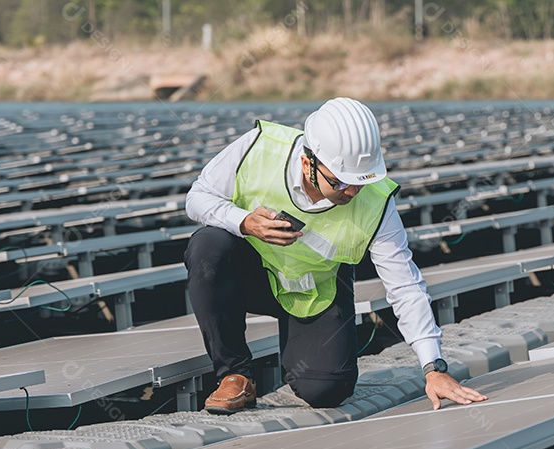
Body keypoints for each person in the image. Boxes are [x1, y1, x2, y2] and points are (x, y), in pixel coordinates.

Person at [184, 97, 486, 414]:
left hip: (313, 289)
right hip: (250, 276)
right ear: (307, 163)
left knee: (325, 390)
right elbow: (197, 198)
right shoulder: (259, 147)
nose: (353, 192)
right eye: (341, 181)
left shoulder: (376, 203)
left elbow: (404, 284)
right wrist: (242, 222)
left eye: (361, 180)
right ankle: (235, 374)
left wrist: (433, 367)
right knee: (208, 245)